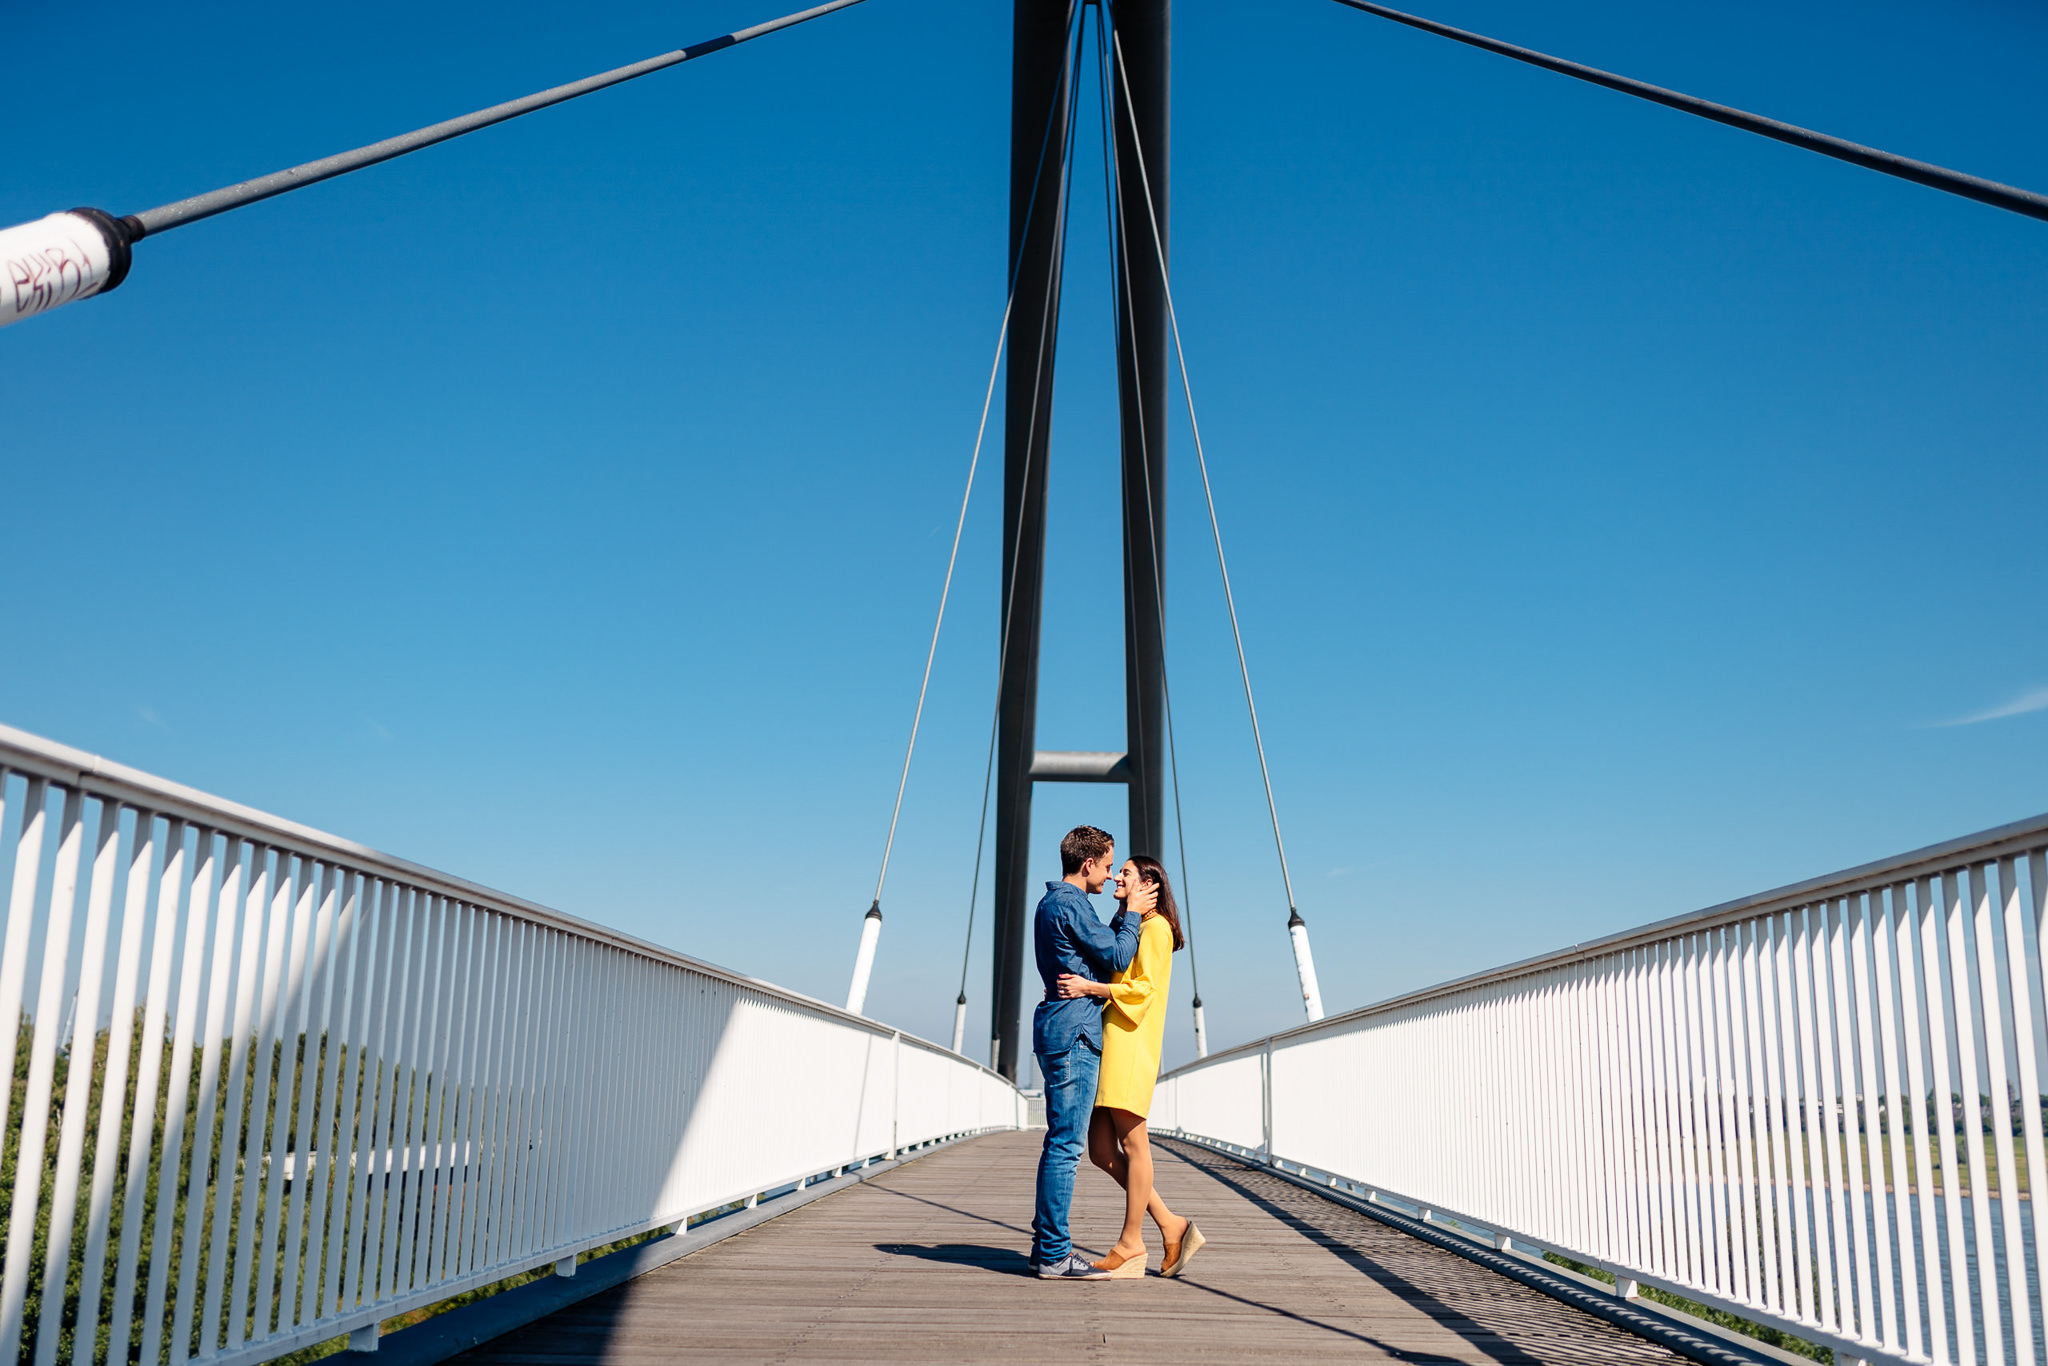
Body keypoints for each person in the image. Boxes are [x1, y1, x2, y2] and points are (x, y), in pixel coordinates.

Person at [1056, 854, 1205, 1279]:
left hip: (1131, 1043)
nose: (1117, 877)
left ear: (1148, 885)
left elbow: (1144, 989)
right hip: (1113, 1039)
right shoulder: (1135, 925)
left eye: (1126, 873)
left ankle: (1131, 1243)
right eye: (1117, 870)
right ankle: (1171, 1225)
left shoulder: (1156, 928)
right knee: (1102, 1150)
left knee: (1135, 1144)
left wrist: (1090, 987)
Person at [1029, 825, 1147, 1280]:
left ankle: (1047, 1247)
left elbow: (1097, 953)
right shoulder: (1071, 903)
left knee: (1058, 1143)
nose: (1112, 873)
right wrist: (1134, 911)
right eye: (1109, 864)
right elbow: (1117, 958)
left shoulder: (1051, 903)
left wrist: (1121, 915)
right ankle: (1056, 1255)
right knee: (1066, 1146)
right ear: (1089, 864)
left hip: (1056, 1024)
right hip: (1075, 1031)